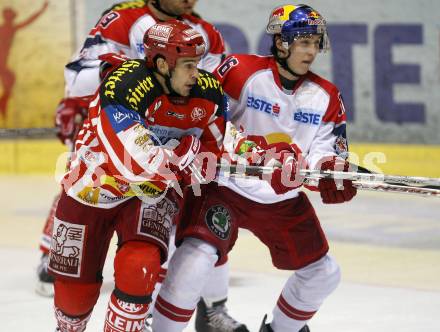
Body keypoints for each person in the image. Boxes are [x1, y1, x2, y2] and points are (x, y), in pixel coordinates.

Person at [38, 1, 247, 330]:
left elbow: (229, 140)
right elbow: (136, 161)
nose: (199, 74)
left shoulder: (204, 88)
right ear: (162, 64)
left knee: (141, 267)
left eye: (198, 64)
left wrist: (275, 159)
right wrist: (190, 149)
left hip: (149, 194)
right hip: (92, 190)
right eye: (189, 65)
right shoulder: (122, 85)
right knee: (73, 301)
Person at [152, 4, 357, 332]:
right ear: (281, 42)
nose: (311, 50)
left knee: (324, 273)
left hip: (281, 200)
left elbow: (323, 155)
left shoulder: (328, 97)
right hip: (225, 189)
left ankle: (280, 329)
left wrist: (331, 172)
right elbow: (209, 118)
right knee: (196, 257)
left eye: (315, 43)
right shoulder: (239, 70)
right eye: (303, 41)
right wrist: (261, 156)